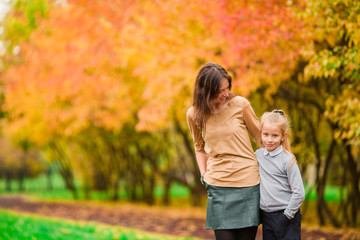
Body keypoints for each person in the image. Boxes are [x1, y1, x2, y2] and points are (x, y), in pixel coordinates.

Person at [186, 62, 261, 240]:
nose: (226, 94)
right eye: (221, 91)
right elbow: (200, 147)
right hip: (218, 185)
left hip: (247, 183)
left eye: (227, 88)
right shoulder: (194, 114)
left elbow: (261, 138)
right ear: (206, 90)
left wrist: (284, 163)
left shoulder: (241, 104)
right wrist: (204, 175)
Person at [255, 110, 305, 240]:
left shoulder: (288, 160)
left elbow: (299, 192)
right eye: (266, 134)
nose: (269, 140)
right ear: (260, 134)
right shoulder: (258, 155)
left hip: (287, 217)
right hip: (267, 217)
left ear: (283, 136)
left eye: (275, 136)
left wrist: (286, 217)